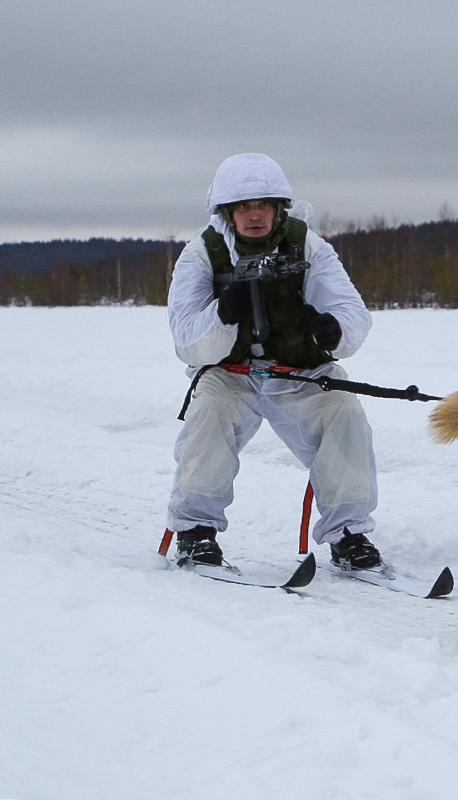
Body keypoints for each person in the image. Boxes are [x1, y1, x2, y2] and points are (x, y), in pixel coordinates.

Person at [166, 153, 382, 569]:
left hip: (298, 373)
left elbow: (351, 313)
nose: (254, 215)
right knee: (208, 413)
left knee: (345, 413)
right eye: (244, 206)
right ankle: (195, 532)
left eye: (263, 204)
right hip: (229, 374)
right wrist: (222, 315)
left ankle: (349, 536)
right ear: (227, 211)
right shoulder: (201, 255)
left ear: (278, 207)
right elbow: (186, 340)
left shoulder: (309, 247)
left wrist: (332, 332)